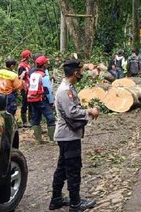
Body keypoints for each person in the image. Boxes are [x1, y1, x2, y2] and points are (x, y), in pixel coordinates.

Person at [49, 58, 99, 212]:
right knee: (73, 169)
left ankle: (56, 200)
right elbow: (72, 112)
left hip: (67, 136)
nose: (82, 73)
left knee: (63, 168)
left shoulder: (68, 87)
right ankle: (75, 204)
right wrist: (89, 111)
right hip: (68, 136)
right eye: (81, 71)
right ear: (75, 72)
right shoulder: (65, 91)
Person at [28, 55, 56, 144]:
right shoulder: (44, 76)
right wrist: (51, 102)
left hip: (32, 99)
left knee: (36, 118)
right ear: (44, 65)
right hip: (42, 99)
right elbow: (48, 91)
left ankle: (38, 139)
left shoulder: (33, 74)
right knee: (50, 118)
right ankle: (52, 140)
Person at [17, 50, 32, 126]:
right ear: (27, 56)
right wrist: (25, 87)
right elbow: (21, 78)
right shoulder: (22, 66)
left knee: (30, 104)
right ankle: (25, 121)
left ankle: (31, 119)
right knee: (25, 103)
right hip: (25, 88)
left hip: (30, 87)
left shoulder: (28, 65)